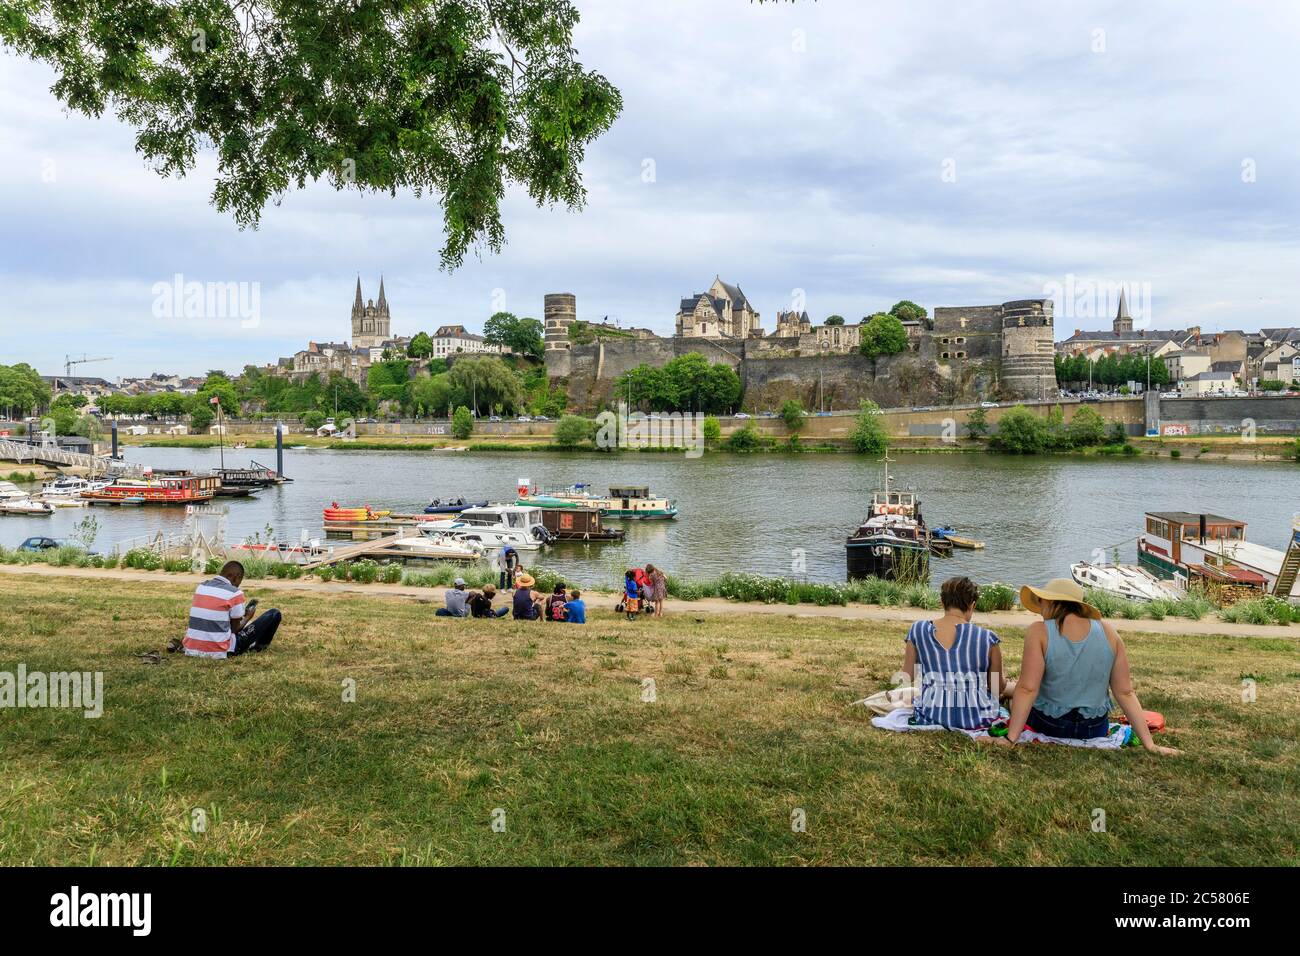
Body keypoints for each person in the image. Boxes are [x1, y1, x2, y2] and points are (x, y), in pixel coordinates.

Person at [995, 578, 1179, 754]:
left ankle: (1004, 691)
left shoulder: (1039, 631)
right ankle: (1005, 689)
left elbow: (1028, 689)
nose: (1040, 608)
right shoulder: (1109, 632)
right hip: (1094, 728)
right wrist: (1150, 745)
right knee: (1015, 693)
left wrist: (1011, 739)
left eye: (1041, 601)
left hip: (1050, 725)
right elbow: (1125, 693)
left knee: (1015, 700)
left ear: (1052, 603)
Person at [901, 576, 1004, 730]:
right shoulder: (988, 638)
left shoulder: (918, 629)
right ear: (972, 605)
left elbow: (907, 676)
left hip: (932, 714)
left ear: (942, 602)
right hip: (976, 719)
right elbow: (996, 687)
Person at [182, 560, 281, 659]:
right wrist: (247, 617)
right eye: (239, 581)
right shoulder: (235, 593)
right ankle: (260, 645)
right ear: (235, 577)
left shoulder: (201, 587)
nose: (238, 585)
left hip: (191, 649)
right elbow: (235, 629)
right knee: (274, 614)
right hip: (220, 651)